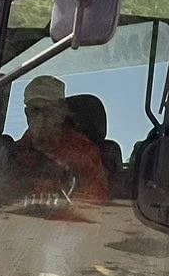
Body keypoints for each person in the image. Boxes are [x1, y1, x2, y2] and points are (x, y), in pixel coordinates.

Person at [10, 74, 111, 207]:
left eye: (48, 110)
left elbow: (94, 204)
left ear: (62, 112)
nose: (41, 118)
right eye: (35, 110)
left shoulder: (84, 152)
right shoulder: (14, 153)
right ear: (26, 114)